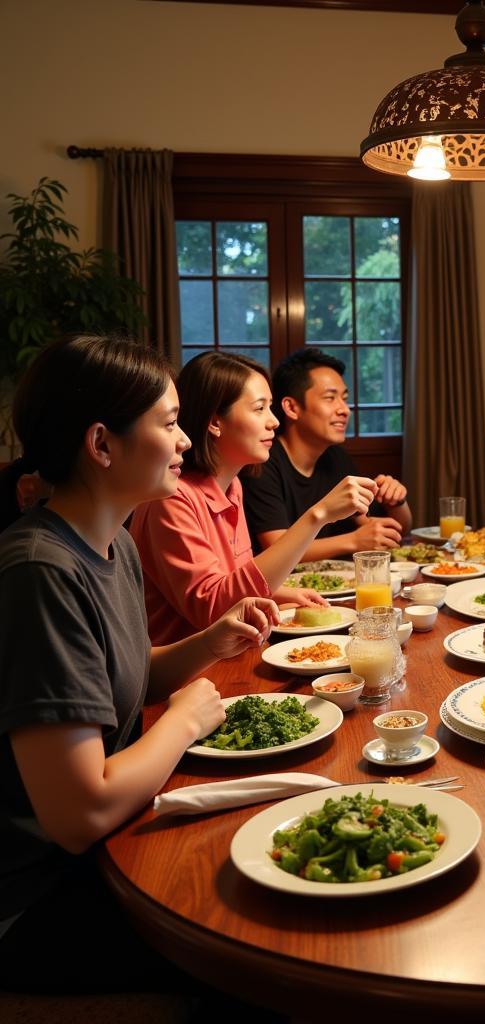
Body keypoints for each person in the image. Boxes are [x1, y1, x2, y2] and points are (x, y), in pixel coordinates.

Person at [0, 335, 278, 1000]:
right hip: (44, 895)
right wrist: (182, 723)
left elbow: (124, 678)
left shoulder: (113, 543)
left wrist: (208, 643)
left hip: (117, 843)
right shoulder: (41, 571)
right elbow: (79, 811)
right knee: (256, 939)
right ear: (102, 445)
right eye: (169, 423)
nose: (184, 442)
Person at [130, 351, 376, 644]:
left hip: (233, 655)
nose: (273, 421)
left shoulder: (232, 485)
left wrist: (279, 592)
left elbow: (234, 579)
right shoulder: (171, 499)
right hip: (189, 677)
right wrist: (318, 515)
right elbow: (213, 611)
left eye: (270, 408)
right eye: (259, 409)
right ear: (215, 422)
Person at [242, 347, 412, 559]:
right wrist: (354, 541)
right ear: (291, 408)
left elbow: (380, 530)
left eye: (344, 398)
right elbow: (275, 548)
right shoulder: (262, 462)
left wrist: (397, 502)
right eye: (330, 398)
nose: (344, 409)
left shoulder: (336, 458)